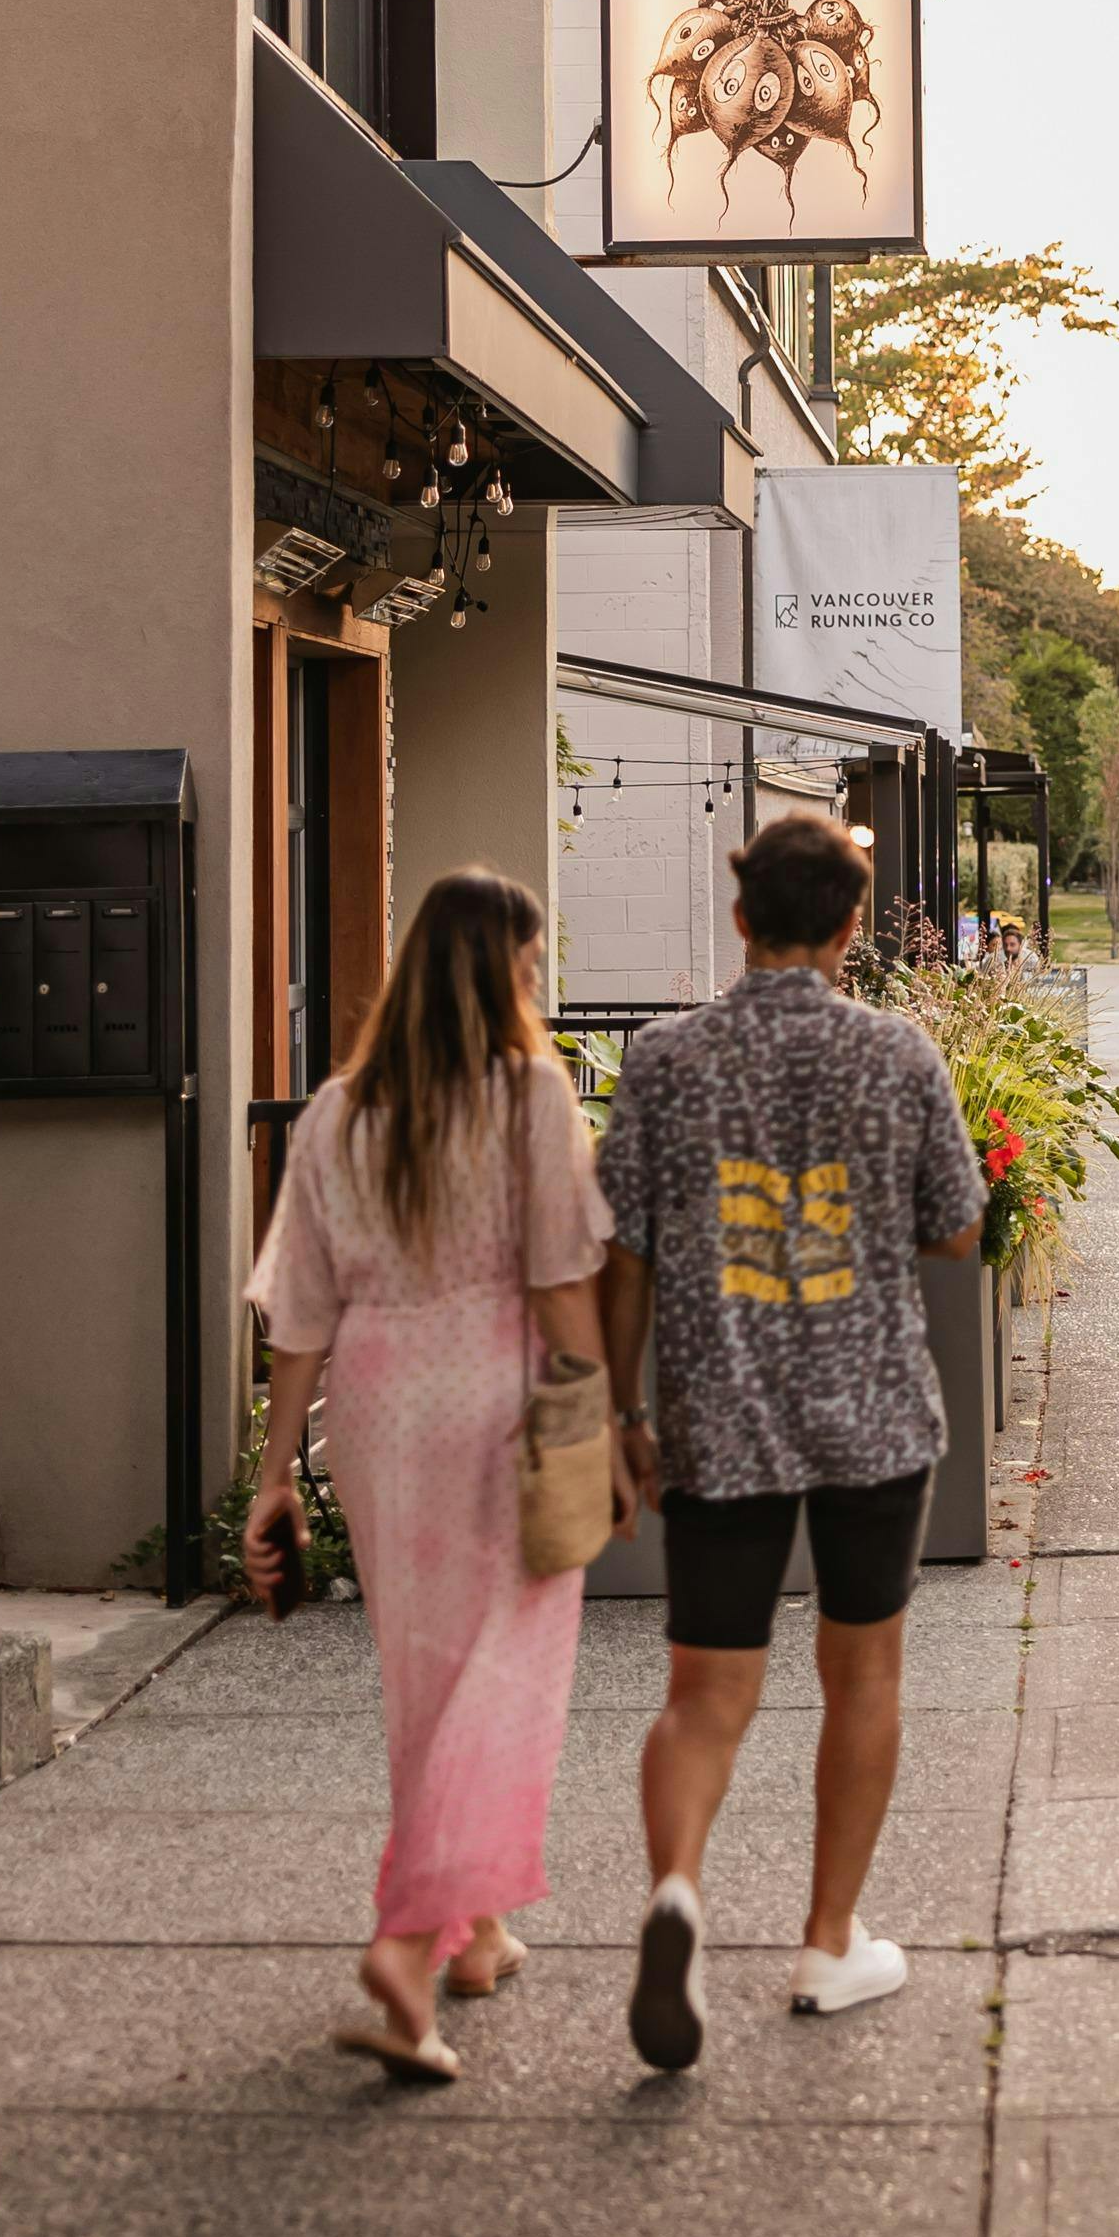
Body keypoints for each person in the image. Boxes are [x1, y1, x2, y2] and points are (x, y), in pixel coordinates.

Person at [600, 813, 985, 2069]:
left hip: (721, 1414)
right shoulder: (898, 1054)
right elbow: (955, 1228)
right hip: (871, 1411)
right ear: (851, 924)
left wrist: (622, 1410)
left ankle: (677, 1894)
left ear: (740, 916)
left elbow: (625, 1248)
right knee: (861, 1676)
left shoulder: (663, 1061)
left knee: (706, 1695)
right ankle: (828, 1943)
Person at [243, 869, 629, 2086]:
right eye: (527, 965)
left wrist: (274, 1475)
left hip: (374, 1406)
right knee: (505, 1668)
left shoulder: (337, 1113)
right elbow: (565, 1277)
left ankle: (480, 1933)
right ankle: (407, 1949)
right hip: (496, 1397)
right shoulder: (527, 1099)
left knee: (425, 1670)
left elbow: (298, 1312)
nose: (535, 985)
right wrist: (601, 1420)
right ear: (498, 974)